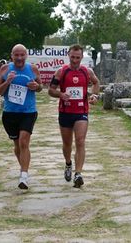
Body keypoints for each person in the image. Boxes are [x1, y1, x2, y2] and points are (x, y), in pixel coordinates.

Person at [48, 44, 100, 188]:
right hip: (65, 112)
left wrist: (94, 95)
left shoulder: (87, 71)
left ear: (82, 57)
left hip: (81, 112)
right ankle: (68, 163)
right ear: (68, 56)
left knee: (80, 141)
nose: (75, 60)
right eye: (73, 57)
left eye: (78, 57)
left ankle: (78, 173)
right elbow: (51, 90)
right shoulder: (61, 71)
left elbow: (96, 83)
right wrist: (61, 94)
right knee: (67, 144)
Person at [0, 44, 42, 189]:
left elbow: (40, 87)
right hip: (10, 113)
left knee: (23, 142)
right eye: (17, 55)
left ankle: (23, 176)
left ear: (26, 55)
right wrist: (7, 82)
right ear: (12, 56)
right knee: (17, 145)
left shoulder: (32, 69)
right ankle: (24, 168)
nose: (19, 58)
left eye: (22, 55)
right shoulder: (4, 69)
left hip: (28, 111)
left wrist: (36, 86)